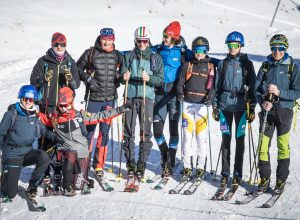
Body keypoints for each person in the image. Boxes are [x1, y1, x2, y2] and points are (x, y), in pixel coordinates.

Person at [39, 87, 130, 196]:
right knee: (70, 151)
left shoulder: (79, 116)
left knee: (79, 185)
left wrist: (119, 110)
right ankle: (67, 186)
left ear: (71, 103)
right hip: (66, 152)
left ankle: (78, 178)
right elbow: (39, 117)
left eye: (66, 105)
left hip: (81, 153)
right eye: (61, 106)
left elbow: (99, 116)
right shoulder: (54, 117)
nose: (64, 109)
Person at [30, 32, 81, 193]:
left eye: (62, 44)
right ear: (52, 44)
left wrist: (70, 78)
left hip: (62, 108)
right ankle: (45, 172)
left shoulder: (69, 61)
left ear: (66, 45)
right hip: (46, 106)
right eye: (56, 44)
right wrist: (43, 78)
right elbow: (33, 81)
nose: (59, 47)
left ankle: (58, 171)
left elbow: (77, 84)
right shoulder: (43, 61)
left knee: (61, 139)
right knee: (45, 140)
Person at [255, 34, 300, 194]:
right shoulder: (266, 66)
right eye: (274, 48)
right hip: (267, 111)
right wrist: (262, 101)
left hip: (284, 111)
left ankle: (280, 181)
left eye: (280, 48)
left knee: (282, 146)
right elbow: (257, 89)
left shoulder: (292, 67)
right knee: (262, 146)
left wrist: (280, 92)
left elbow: (297, 91)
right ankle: (264, 179)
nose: (277, 51)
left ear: (285, 48)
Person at [0, 85, 61, 201]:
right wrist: (3, 152)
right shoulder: (11, 115)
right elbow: (1, 133)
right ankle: (4, 178)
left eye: (31, 99)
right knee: (10, 194)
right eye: (25, 99)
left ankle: (32, 187)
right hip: (12, 154)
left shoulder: (35, 116)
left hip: (27, 152)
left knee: (44, 157)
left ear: (34, 100)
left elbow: (44, 131)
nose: (28, 102)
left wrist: (57, 138)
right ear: (21, 98)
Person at [212, 31, 256, 190]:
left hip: (241, 106)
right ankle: (225, 174)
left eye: (235, 45)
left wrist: (252, 107)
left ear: (240, 46)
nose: (232, 48)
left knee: (239, 140)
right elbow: (216, 87)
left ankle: (237, 174)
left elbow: (253, 87)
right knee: (225, 138)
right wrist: (215, 106)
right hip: (224, 106)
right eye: (230, 45)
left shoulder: (247, 64)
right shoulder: (222, 64)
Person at [77, 28, 123, 178]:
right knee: (89, 133)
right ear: (100, 38)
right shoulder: (90, 53)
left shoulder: (117, 55)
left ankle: (99, 166)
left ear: (113, 40)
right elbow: (77, 68)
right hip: (93, 100)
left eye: (110, 40)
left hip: (109, 99)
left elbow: (124, 70)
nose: (107, 42)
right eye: (105, 39)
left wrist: (120, 77)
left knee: (104, 133)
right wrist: (89, 79)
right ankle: (85, 163)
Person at [120, 26, 164, 180]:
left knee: (145, 133)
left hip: (146, 97)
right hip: (130, 97)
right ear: (135, 41)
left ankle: (141, 164)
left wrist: (150, 79)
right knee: (128, 132)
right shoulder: (129, 56)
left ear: (148, 41)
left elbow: (160, 79)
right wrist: (123, 77)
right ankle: (130, 163)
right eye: (139, 41)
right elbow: (121, 76)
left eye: (144, 41)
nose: (142, 44)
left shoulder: (155, 57)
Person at [152, 21, 193, 177]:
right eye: (163, 36)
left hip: (175, 96)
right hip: (160, 95)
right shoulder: (158, 49)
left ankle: (171, 160)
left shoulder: (183, 52)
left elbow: (201, 59)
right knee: (157, 131)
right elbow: (136, 53)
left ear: (174, 37)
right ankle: (165, 154)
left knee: (173, 130)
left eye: (167, 36)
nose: (164, 39)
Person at [176, 36, 215, 180]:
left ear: (206, 50)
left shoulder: (211, 66)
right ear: (193, 51)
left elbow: (213, 87)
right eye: (197, 50)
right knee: (187, 137)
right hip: (187, 105)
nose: (199, 53)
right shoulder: (187, 65)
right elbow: (180, 83)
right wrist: (180, 93)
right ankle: (187, 166)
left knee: (200, 137)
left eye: (202, 50)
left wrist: (210, 97)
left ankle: (200, 166)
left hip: (201, 106)